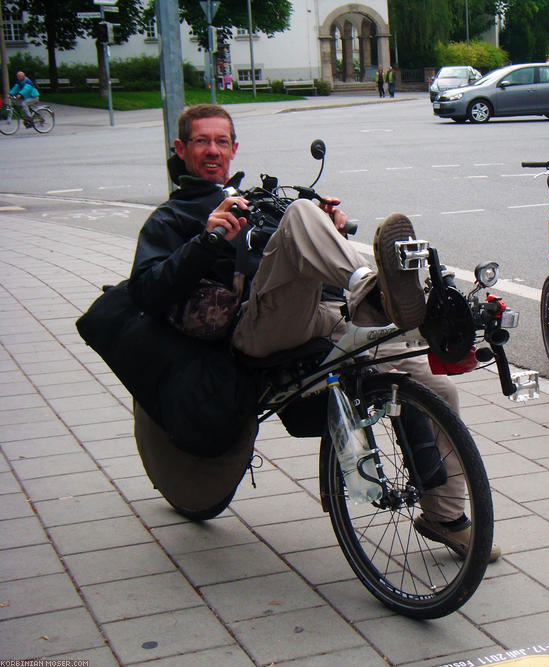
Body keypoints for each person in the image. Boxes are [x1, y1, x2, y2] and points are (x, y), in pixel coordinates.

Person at [128, 103, 501, 560]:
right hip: (248, 332)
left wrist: (330, 228)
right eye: (201, 142)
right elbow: (145, 291)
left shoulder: (253, 201)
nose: (212, 151)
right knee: (303, 214)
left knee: (434, 384)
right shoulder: (171, 218)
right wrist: (206, 241)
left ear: (234, 148)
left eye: (221, 142)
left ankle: (445, 516)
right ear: (181, 149)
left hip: (312, 314)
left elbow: (295, 258)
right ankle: (373, 292)